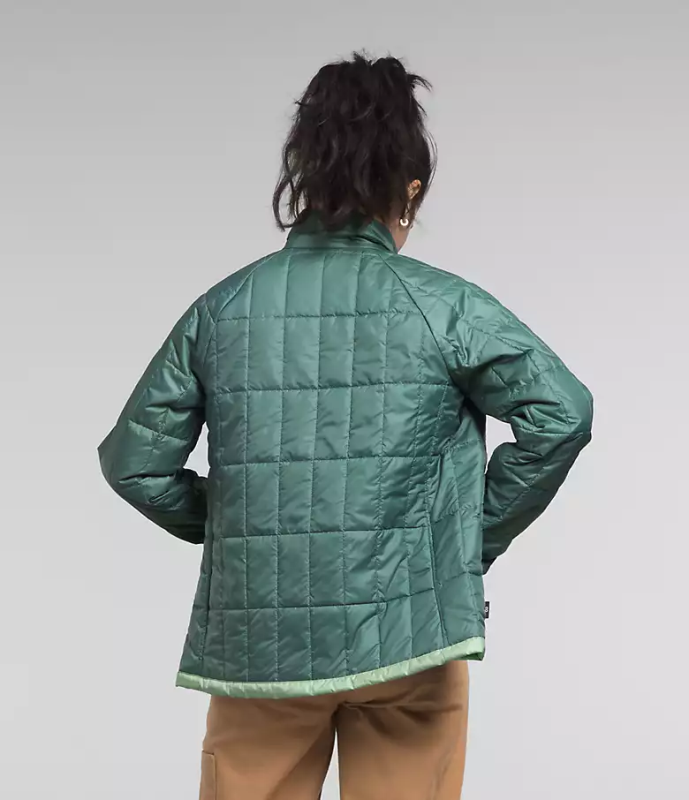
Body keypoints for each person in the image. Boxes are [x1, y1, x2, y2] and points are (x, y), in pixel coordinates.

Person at [98, 52, 593, 800]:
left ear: (305, 176)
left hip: (260, 645)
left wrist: (247, 533)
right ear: (410, 190)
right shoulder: (444, 306)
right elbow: (561, 412)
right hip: (410, 638)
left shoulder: (223, 309)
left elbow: (134, 463)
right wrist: (463, 542)